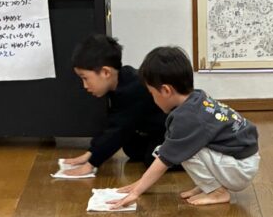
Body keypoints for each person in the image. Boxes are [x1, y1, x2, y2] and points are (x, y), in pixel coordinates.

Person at [110, 46, 259, 208]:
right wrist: (139, 183)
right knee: (178, 146)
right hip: (242, 160)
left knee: (181, 150)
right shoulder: (197, 97)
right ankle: (208, 185)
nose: (153, 99)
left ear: (166, 90)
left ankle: (217, 191)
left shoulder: (187, 118)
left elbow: (165, 158)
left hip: (240, 169)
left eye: (152, 93)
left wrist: (136, 191)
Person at [58, 34, 168, 178]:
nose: (84, 85)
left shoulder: (133, 88)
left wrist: (92, 163)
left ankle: (191, 154)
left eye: (85, 78)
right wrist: (91, 152)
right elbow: (113, 123)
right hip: (152, 131)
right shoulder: (120, 82)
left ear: (106, 72)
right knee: (131, 148)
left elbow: (119, 130)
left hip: (172, 132)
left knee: (153, 159)